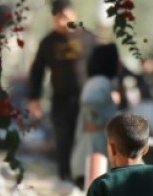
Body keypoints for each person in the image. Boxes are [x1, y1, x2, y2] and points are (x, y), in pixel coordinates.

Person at [28, 0, 97, 182]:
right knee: (63, 139)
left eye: (65, 16)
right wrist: (34, 98)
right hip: (61, 99)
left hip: (87, 100)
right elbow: (37, 71)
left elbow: (105, 65)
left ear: (74, 15)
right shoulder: (48, 42)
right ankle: (65, 178)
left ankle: (84, 180)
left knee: (85, 140)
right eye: (58, 17)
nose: (62, 21)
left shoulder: (88, 37)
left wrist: (111, 90)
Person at [71, 43, 121, 189]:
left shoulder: (97, 82)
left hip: (91, 163)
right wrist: (94, 120)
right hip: (91, 162)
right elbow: (90, 101)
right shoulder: (101, 82)